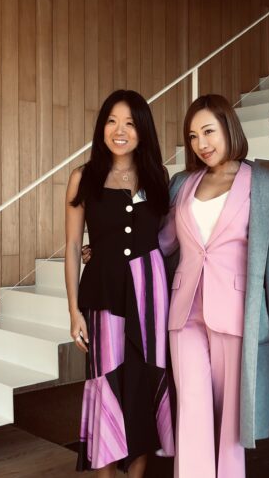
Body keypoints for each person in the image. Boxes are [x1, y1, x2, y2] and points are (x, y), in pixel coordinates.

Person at [159, 94, 269, 478]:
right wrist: (108, 246)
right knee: (191, 410)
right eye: (193, 136)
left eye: (208, 131)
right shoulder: (183, 182)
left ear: (229, 128)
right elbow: (163, 242)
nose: (201, 143)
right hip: (184, 313)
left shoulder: (264, 183)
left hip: (236, 312)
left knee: (232, 421)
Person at [64, 89, 174, 477]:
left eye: (129, 123)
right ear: (102, 127)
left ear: (143, 130)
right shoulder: (83, 177)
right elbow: (72, 246)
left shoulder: (158, 177)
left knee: (143, 385)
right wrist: (73, 311)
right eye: (112, 121)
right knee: (106, 383)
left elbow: (167, 237)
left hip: (150, 297)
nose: (120, 130)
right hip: (103, 294)